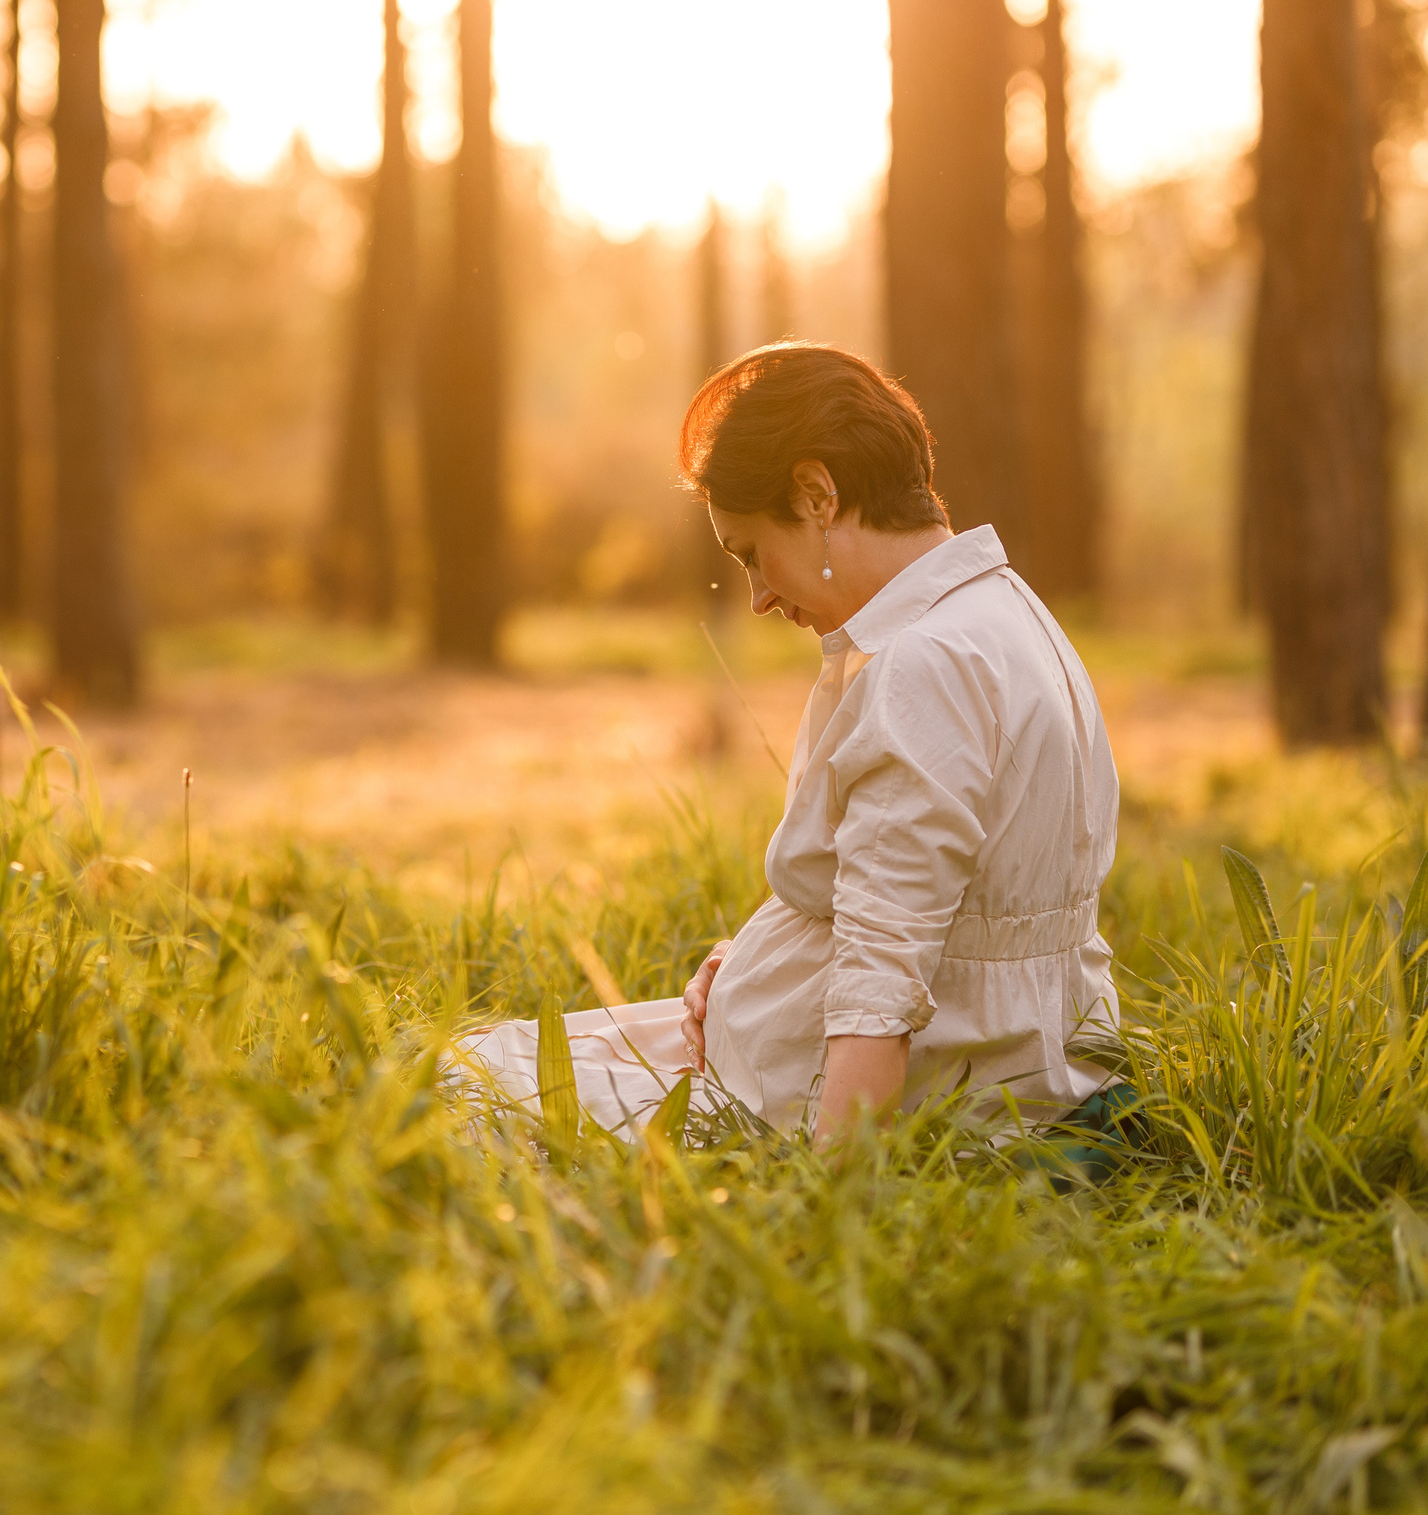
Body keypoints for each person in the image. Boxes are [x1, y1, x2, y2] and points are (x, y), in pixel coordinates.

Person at [455, 343, 1120, 1145]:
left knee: (459, 1089)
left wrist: (830, 1205)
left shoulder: (926, 667)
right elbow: (934, 898)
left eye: (750, 553)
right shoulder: (1001, 611)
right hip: (960, 1059)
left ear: (815, 494)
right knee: (473, 1055)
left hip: (838, 1095)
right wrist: (748, 965)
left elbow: (882, 986)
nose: (758, 594)